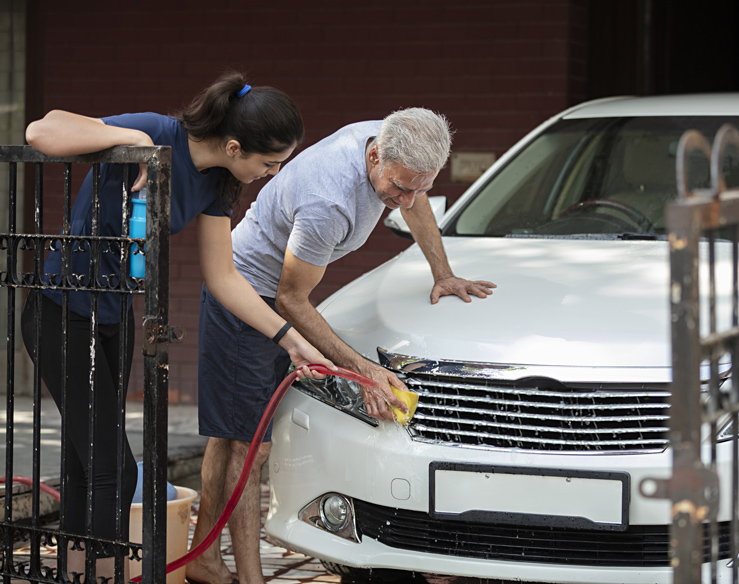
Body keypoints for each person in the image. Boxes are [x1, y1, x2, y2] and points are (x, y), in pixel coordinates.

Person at [20, 72, 332, 582]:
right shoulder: (155, 132)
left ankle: (74, 574)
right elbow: (41, 131)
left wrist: (290, 339)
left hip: (114, 318)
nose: (273, 174)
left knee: (87, 465)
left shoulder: (217, 183)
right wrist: (131, 142)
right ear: (234, 146)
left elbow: (225, 278)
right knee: (114, 471)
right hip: (61, 311)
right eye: (269, 163)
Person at [187, 108, 496, 584]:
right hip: (246, 300)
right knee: (248, 448)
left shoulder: (394, 146)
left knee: (234, 439)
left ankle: (203, 561)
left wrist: (443, 273)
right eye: (399, 187)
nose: (408, 199)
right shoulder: (328, 201)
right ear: (374, 157)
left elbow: (414, 203)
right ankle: (247, 578)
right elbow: (290, 298)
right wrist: (365, 370)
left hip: (277, 300)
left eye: (421, 186)